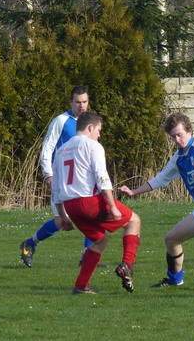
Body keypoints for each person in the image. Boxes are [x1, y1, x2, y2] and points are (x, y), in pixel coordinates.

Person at [119, 112, 194, 290]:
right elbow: (160, 180)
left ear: (190, 131)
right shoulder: (178, 159)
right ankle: (175, 279)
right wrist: (133, 192)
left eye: (180, 135)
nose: (177, 140)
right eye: (173, 137)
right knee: (171, 239)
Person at [52, 112, 141, 294]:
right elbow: (102, 178)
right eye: (99, 130)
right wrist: (113, 206)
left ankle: (81, 286)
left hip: (71, 206)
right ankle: (127, 266)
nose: (99, 135)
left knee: (100, 241)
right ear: (90, 128)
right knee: (134, 221)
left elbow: (56, 187)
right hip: (89, 201)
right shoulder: (93, 146)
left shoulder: (61, 151)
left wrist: (62, 216)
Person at [19, 85, 96, 268]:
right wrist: (48, 174)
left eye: (84, 102)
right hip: (62, 179)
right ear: (70, 102)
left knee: (90, 216)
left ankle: (87, 258)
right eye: (77, 102)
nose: (81, 105)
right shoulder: (61, 121)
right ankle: (30, 243)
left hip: (83, 180)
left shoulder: (90, 123)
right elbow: (47, 148)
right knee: (62, 221)